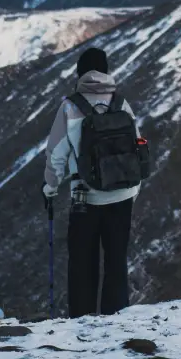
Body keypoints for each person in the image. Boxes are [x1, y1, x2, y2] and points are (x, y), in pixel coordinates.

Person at [43, 47, 142, 319]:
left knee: (83, 263)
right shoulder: (121, 103)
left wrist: (50, 188)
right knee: (116, 260)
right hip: (122, 195)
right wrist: (132, 191)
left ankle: (82, 319)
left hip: (85, 198)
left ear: (80, 73)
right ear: (106, 71)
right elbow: (137, 147)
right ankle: (116, 317)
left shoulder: (71, 106)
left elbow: (56, 153)